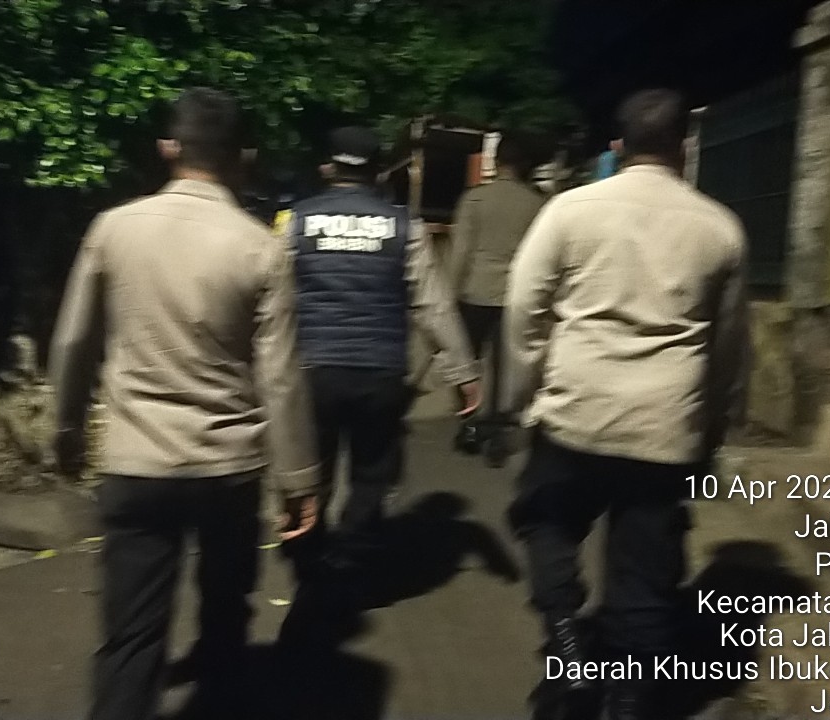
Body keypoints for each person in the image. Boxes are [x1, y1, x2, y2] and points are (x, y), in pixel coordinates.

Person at [48, 87, 321, 720]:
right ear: (242, 157)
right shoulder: (261, 247)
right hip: (228, 470)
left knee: (130, 637)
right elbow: (280, 378)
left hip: (135, 462)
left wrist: (66, 430)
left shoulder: (113, 229)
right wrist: (300, 481)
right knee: (225, 623)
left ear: (168, 148)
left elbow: (72, 342)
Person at [502, 89, 750, 720]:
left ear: (618, 146)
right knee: (644, 570)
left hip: (574, 412)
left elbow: (524, 306)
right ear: (684, 147)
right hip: (664, 426)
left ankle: (567, 645)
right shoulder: (720, 228)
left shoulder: (570, 210)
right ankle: (630, 698)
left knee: (547, 522)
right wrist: (711, 423)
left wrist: (528, 390)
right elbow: (727, 347)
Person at [273, 125, 481, 638]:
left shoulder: (295, 221)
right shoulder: (404, 226)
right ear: (379, 172)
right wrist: (464, 373)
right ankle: (349, 558)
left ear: (328, 168)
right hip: (379, 372)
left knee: (311, 473)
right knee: (371, 474)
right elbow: (433, 305)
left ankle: (309, 566)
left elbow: (272, 296)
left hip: (312, 371)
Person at [448, 133, 547, 467]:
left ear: (496, 161)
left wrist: (450, 293)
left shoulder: (475, 199)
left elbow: (460, 252)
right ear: (525, 164)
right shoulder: (536, 203)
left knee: (466, 363)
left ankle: (468, 423)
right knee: (506, 367)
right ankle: (497, 432)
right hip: (515, 296)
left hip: (474, 293)